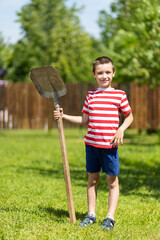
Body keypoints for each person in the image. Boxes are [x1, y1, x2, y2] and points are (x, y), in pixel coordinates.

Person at [54, 56, 133, 231]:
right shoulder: (91, 95)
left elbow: (129, 116)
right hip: (91, 145)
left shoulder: (119, 95)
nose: (104, 76)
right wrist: (64, 116)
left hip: (109, 146)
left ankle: (110, 217)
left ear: (113, 73)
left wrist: (121, 129)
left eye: (107, 72)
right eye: (100, 73)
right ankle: (91, 214)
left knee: (112, 181)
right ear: (94, 75)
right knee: (92, 179)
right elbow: (84, 119)